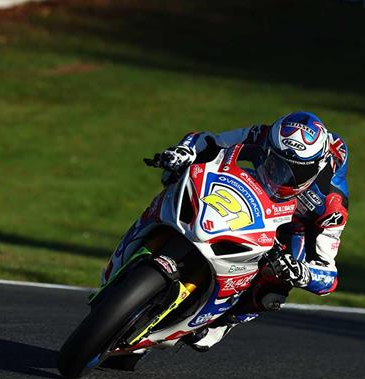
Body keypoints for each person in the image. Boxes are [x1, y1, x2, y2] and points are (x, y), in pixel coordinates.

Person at [150, 111, 350, 351]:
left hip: (290, 228)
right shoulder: (263, 135)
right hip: (249, 192)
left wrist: (303, 273)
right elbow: (209, 141)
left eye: (297, 171)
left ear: (317, 167)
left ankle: (223, 323)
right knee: (175, 179)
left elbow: (328, 277)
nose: (283, 174)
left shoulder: (332, 203)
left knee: (274, 289)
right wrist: (182, 152)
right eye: (277, 162)